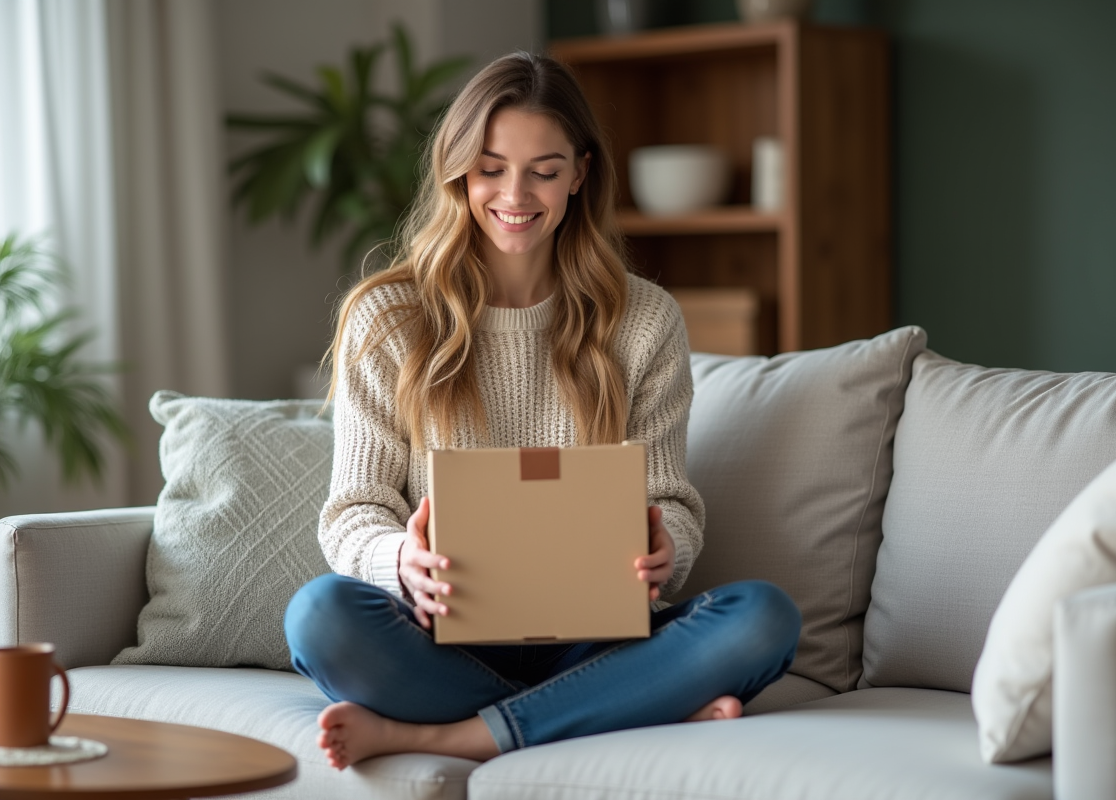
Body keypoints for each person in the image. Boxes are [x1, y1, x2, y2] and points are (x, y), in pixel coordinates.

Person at [283, 51, 802, 770]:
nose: (515, 194)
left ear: (580, 174)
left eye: (544, 170)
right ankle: (627, 705)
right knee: (319, 616)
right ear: (459, 171)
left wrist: (665, 549)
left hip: (600, 634)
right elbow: (353, 512)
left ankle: (451, 736)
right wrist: (401, 558)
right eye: (491, 168)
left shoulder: (644, 320)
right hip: (440, 633)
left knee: (763, 618)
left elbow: (670, 501)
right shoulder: (388, 318)